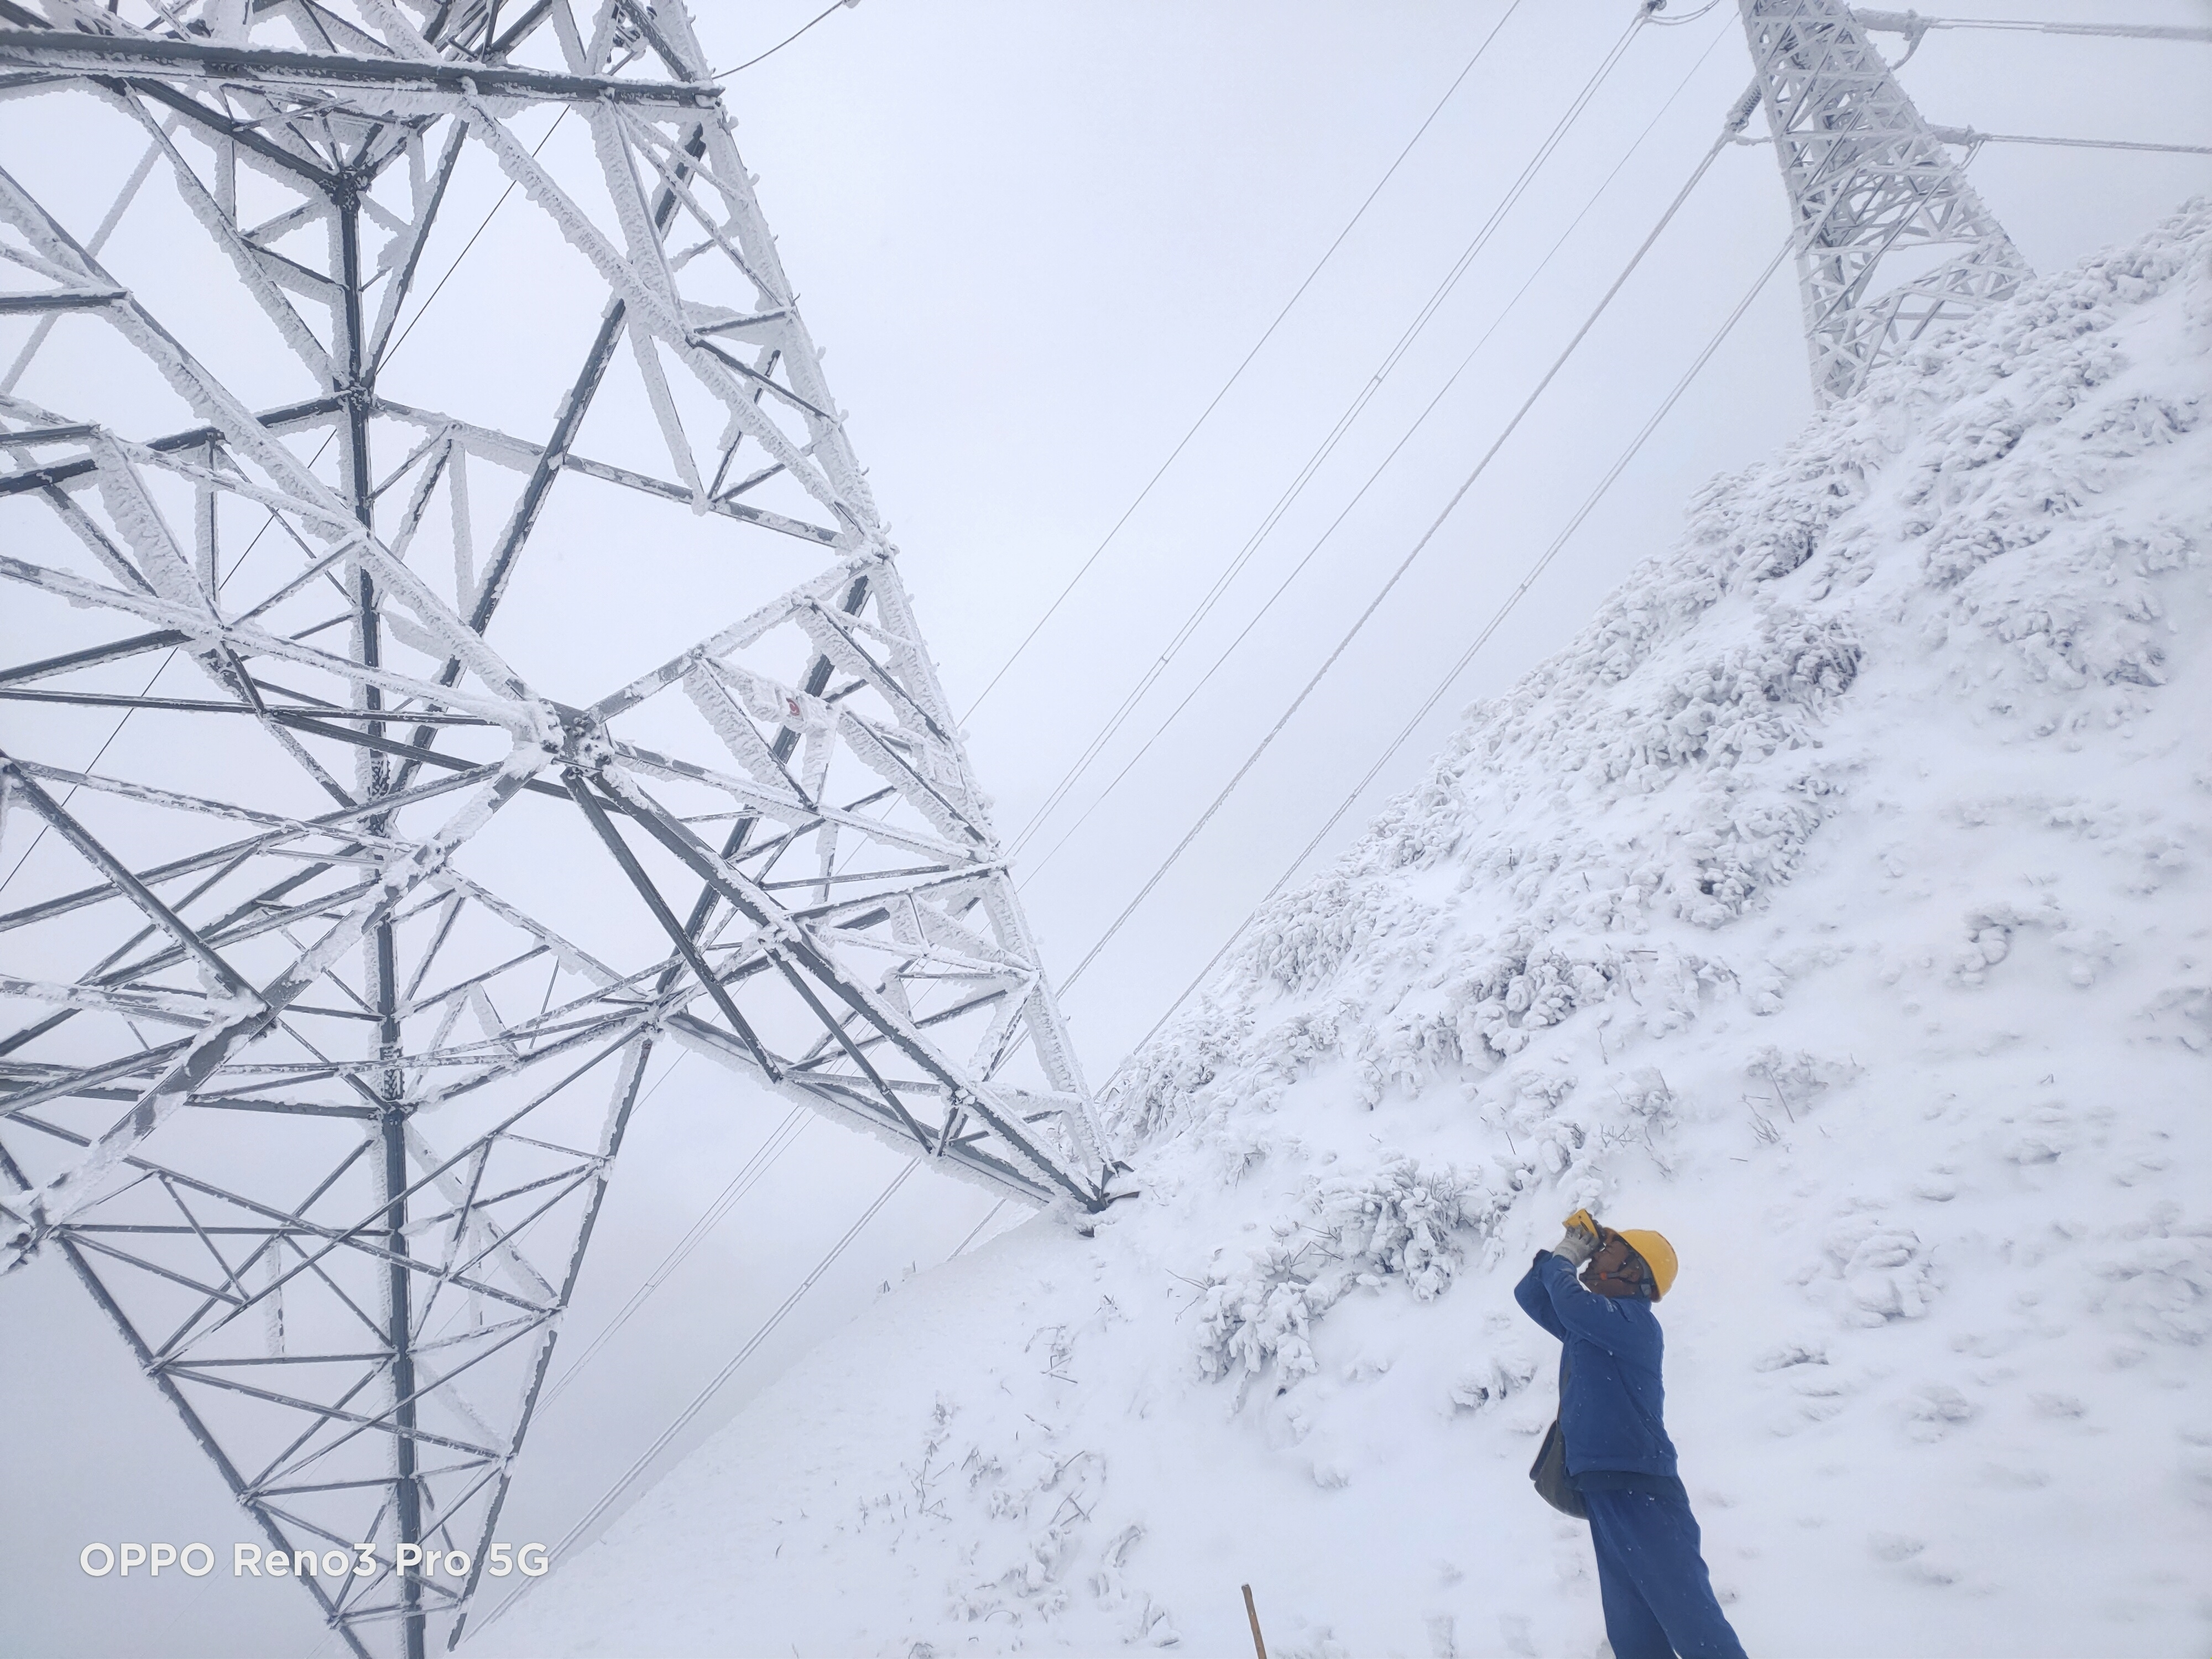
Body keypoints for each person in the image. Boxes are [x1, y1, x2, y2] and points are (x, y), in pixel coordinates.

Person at [1514, 1212, 1747, 1659]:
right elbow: (1533, 1297)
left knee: (1692, 1622)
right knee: (1633, 1630)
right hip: (1606, 1488)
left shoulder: (1633, 1323)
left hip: (1643, 1489)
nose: (1597, 1254)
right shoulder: (1590, 1327)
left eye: (1608, 1250)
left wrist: (1566, 1259)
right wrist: (1560, 1254)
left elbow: (1569, 1302)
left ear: (1634, 1272)